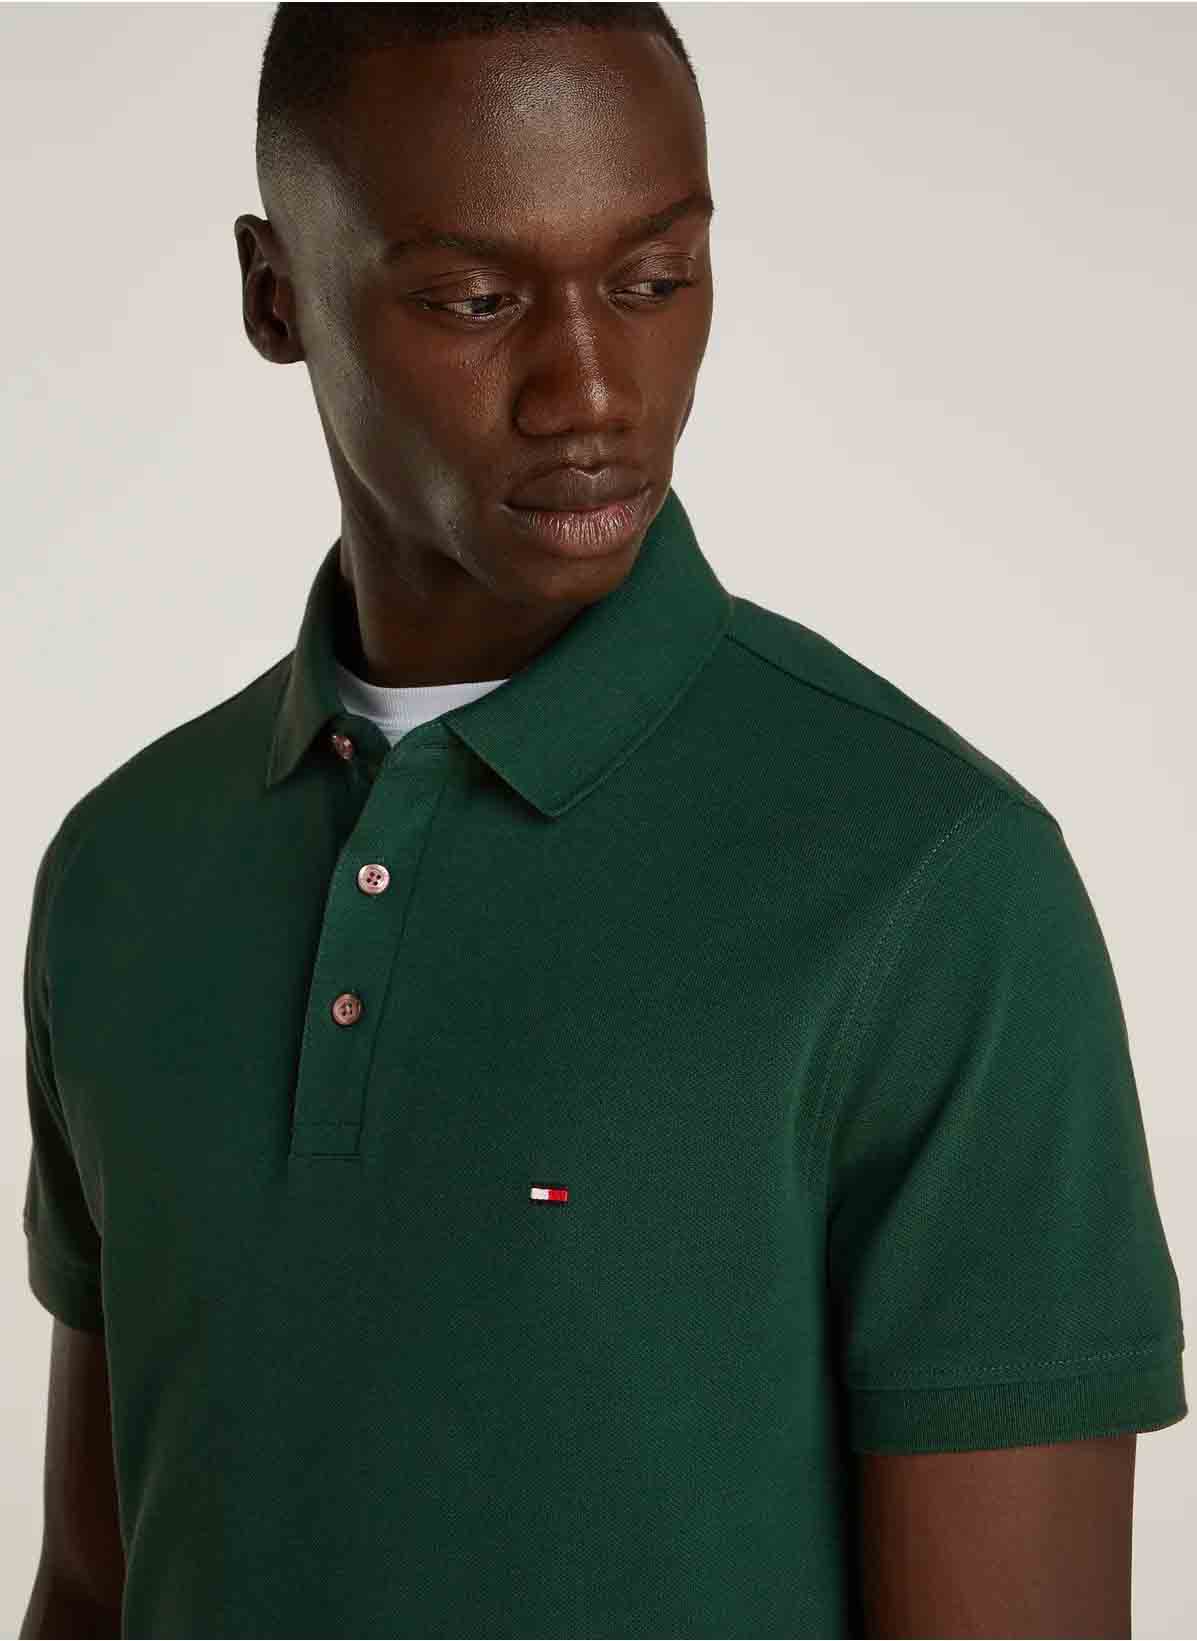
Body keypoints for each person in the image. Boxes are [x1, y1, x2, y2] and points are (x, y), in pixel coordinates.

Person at [18, 5, 1186, 1638]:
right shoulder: (125, 870)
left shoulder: (930, 882)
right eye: (475, 300)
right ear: (276, 294)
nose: (589, 392)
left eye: (652, 279)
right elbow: (95, 1585)